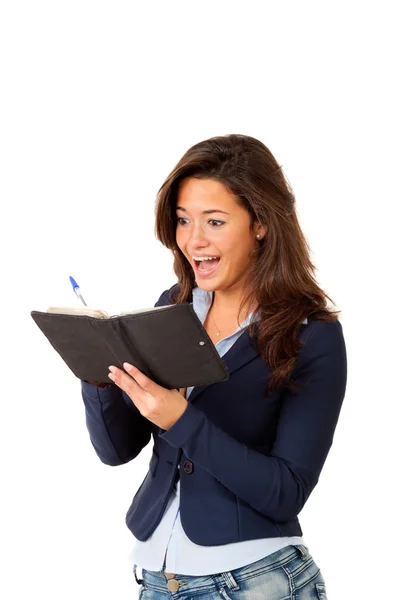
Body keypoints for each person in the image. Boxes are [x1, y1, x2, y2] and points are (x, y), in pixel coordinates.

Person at [81, 133, 347, 599]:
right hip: (158, 580)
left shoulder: (311, 334)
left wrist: (181, 420)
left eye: (215, 221)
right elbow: (116, 450)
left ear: (261, 223)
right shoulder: (174, 306)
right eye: (183, 220)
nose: (193, 240)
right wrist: (97, 377)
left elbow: (287, 491)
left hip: (255, 582)